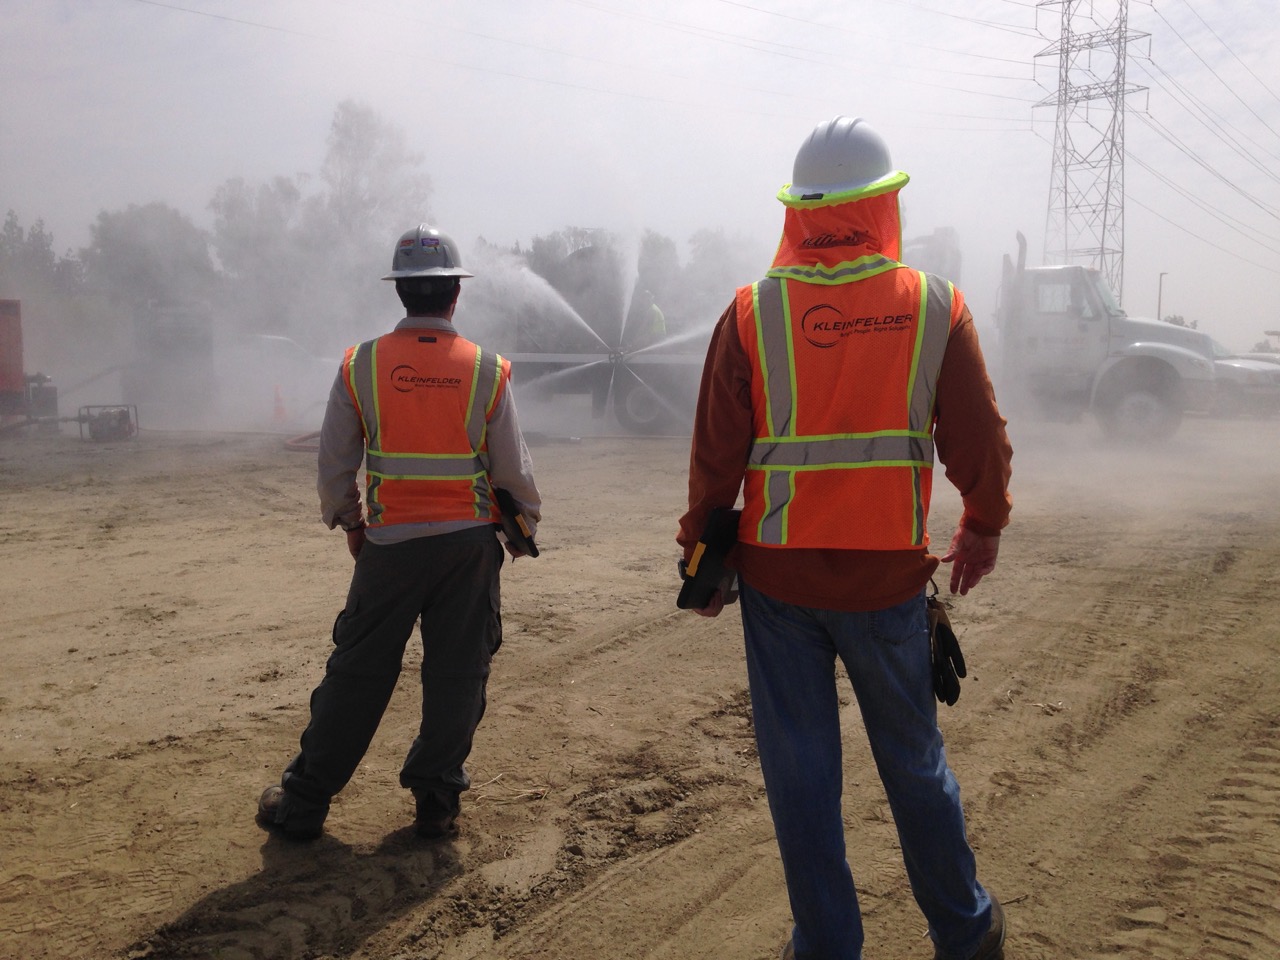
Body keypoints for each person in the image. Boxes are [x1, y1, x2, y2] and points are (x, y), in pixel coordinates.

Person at [677, 117, 1012, 960]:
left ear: (801, 211)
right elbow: (980, 443)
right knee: (914, 763)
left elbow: (715, 460)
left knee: (801, 778)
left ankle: (826, 945)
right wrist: (983, 524)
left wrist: (701, 563)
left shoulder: (751, 311)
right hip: (888, 584)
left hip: (779, 584)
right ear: (882, 204)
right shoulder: (935, 305)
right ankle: (966, 933)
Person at [257, 224, 542, 842]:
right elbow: (513, 469)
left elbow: (334, 465)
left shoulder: (360, 365)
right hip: (468, 549)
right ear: (454, 295)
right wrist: (520, 530)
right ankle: (436, 801)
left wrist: (353, 523)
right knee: (458, 673)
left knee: (357, 674)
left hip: (388, 548)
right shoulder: (488, 370)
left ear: (401, 293)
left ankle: (303, 803)